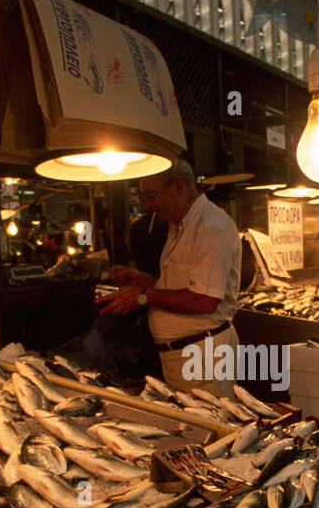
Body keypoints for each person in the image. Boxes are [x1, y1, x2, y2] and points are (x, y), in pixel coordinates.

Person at [98, 160, 241, 397]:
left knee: (211, 426)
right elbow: (179, 286)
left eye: (151, 195)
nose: (147, 205)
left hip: (203, 358)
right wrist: (141, 279)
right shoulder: (178, 226)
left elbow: (204, 300)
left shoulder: (211, 227)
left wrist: (142, 298)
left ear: (178, 186)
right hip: (183, 357)